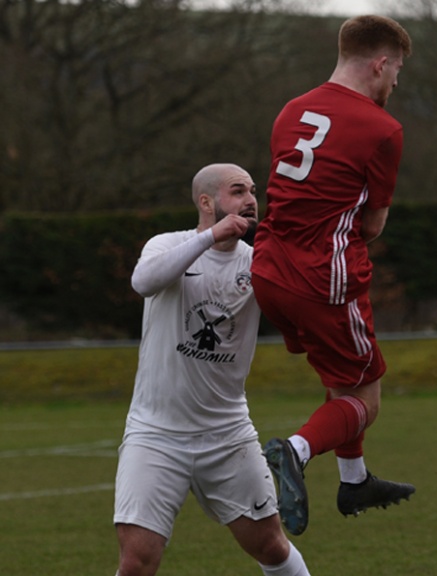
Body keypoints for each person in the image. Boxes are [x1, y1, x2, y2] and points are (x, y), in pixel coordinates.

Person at [251, 15, 415, 536]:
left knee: (342, 381)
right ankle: (294, 452)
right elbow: (373, 224)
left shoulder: (291, 110)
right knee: (366, 398)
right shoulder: (382, 128)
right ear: (380, 62)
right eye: (397, 72)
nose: (396, 84)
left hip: (268, 268)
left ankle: (355, 480)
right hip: (324, 278)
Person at [113, 164, 310, 576]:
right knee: (136, 562)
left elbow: (300, 313)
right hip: (156, 434)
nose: (251, 200)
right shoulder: (167, 245)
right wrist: (210, 239)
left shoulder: (259, 264)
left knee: (271, 547)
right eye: (237, 191)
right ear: (206, 202)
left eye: (253, 191)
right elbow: (143, 282)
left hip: (227, 434)